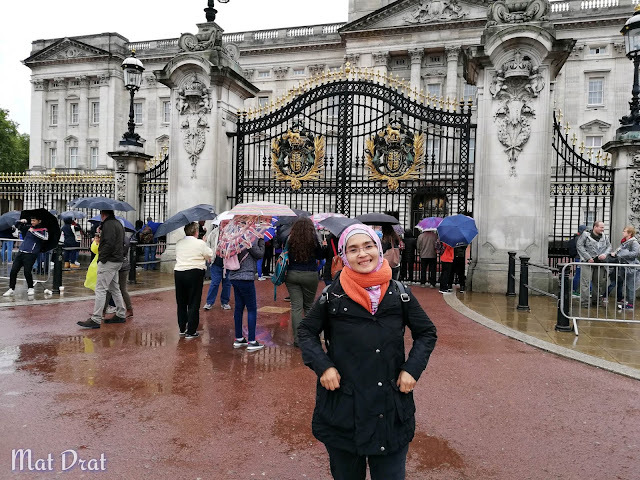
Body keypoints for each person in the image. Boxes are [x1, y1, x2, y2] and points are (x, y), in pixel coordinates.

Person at [298, 224, 437, 480]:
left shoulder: (400, 293)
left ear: (378, 248)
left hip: (390, 405)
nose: (362, 254)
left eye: (368, 246)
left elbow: (427, 333)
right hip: (344, 406)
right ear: (344, 256)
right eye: (353, 249)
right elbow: (306, 332)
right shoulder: (332, 295)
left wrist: (412, 370)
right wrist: (323, 366)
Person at [77, 210, 127, 329]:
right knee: (114, 288)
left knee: (100, 289)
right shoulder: (117, 223)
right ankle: (120, 313)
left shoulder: (109, 225)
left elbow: (108, 243)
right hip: (117, 259)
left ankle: (96, 318)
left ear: (103, 214)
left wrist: (102, 259)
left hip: (109, 260)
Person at [285, 217, 324, 347]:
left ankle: (297, 339)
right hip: (310, 274)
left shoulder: (290, 239)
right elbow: (320, 256)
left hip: (292, 274)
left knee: (296, 307)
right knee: (309, 307)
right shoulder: (313, 240)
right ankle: (310, 338)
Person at [172, 222, 213, 339]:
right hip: (195, 272)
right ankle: (191, 330)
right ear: (196, 232)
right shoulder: (200, 243)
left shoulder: (179, 243)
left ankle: (182, 327)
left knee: (181, 301)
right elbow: (209, 254)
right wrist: (204, 243)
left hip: (179, 272)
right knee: (193, 301)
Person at [229, 227, 265, 351]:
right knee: (251, 309)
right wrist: (261, 240)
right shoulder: (249, 237)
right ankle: (252, 341)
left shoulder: (232, 236)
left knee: (239, 307)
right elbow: (259, 254)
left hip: (234, 275)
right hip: (246, 276)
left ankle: (238, 338)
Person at [3, 215, 49, 297]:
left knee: (27, 271)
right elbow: (16, 225)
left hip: (31, 253)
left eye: (34, 221)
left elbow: (45, 238)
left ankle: (30, 288)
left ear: (39, 221)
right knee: (13, 270)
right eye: (31, 221)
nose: (32, 222)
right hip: (21, 251)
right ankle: (11, 288)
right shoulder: (28, 227)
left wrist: (33, 232)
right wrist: (20, 221)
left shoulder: (43, 229)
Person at [576, 220, 612, 308]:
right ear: (595, 227)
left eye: (603, 227)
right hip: (587, 262)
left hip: (600, 263)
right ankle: (585, 303)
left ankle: (596, 301)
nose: (603, 229)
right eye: (601, 227)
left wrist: (605, 254)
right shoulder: (585, 235)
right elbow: (579, 245)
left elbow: (609, 246)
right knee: (586, 283)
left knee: (598, 283)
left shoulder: (604, 236)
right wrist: (588, 257)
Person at [104, 228, 134, 319]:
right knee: (114, 289)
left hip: (119, 265)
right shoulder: (125, 238)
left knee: (119, 289)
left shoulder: (119, 239)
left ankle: (129, 309)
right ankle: (103, 310)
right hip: (122, 265)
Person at [609, 226, 639, 310]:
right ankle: (629, 303)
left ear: (629, 233)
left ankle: (630, 305)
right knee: (627, 286)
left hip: (631, 267)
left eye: (624, 231)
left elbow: (635, 254)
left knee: (630, 286)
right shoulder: (626, 242)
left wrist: (623, 254)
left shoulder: (634, 242)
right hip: (625, 267)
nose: (623, 232)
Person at [203, 226, 232, 311]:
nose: (226, 224)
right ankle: (209, 302)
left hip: (227, 262)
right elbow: (208, 244)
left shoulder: (231, 233)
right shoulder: (214, 232)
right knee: (215, 282)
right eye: (224, 222)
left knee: (227, 283)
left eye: (227, 223)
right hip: (216, 262)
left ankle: (225, 302)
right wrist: (209, 255)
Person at [566, 225, 587, 296]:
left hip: (579, 258)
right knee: (578, 274)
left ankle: (577, 290)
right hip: (580, 258)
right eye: (585, 230)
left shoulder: (577, 237)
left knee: (581, 274)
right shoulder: (580, 238)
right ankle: (575, 290)